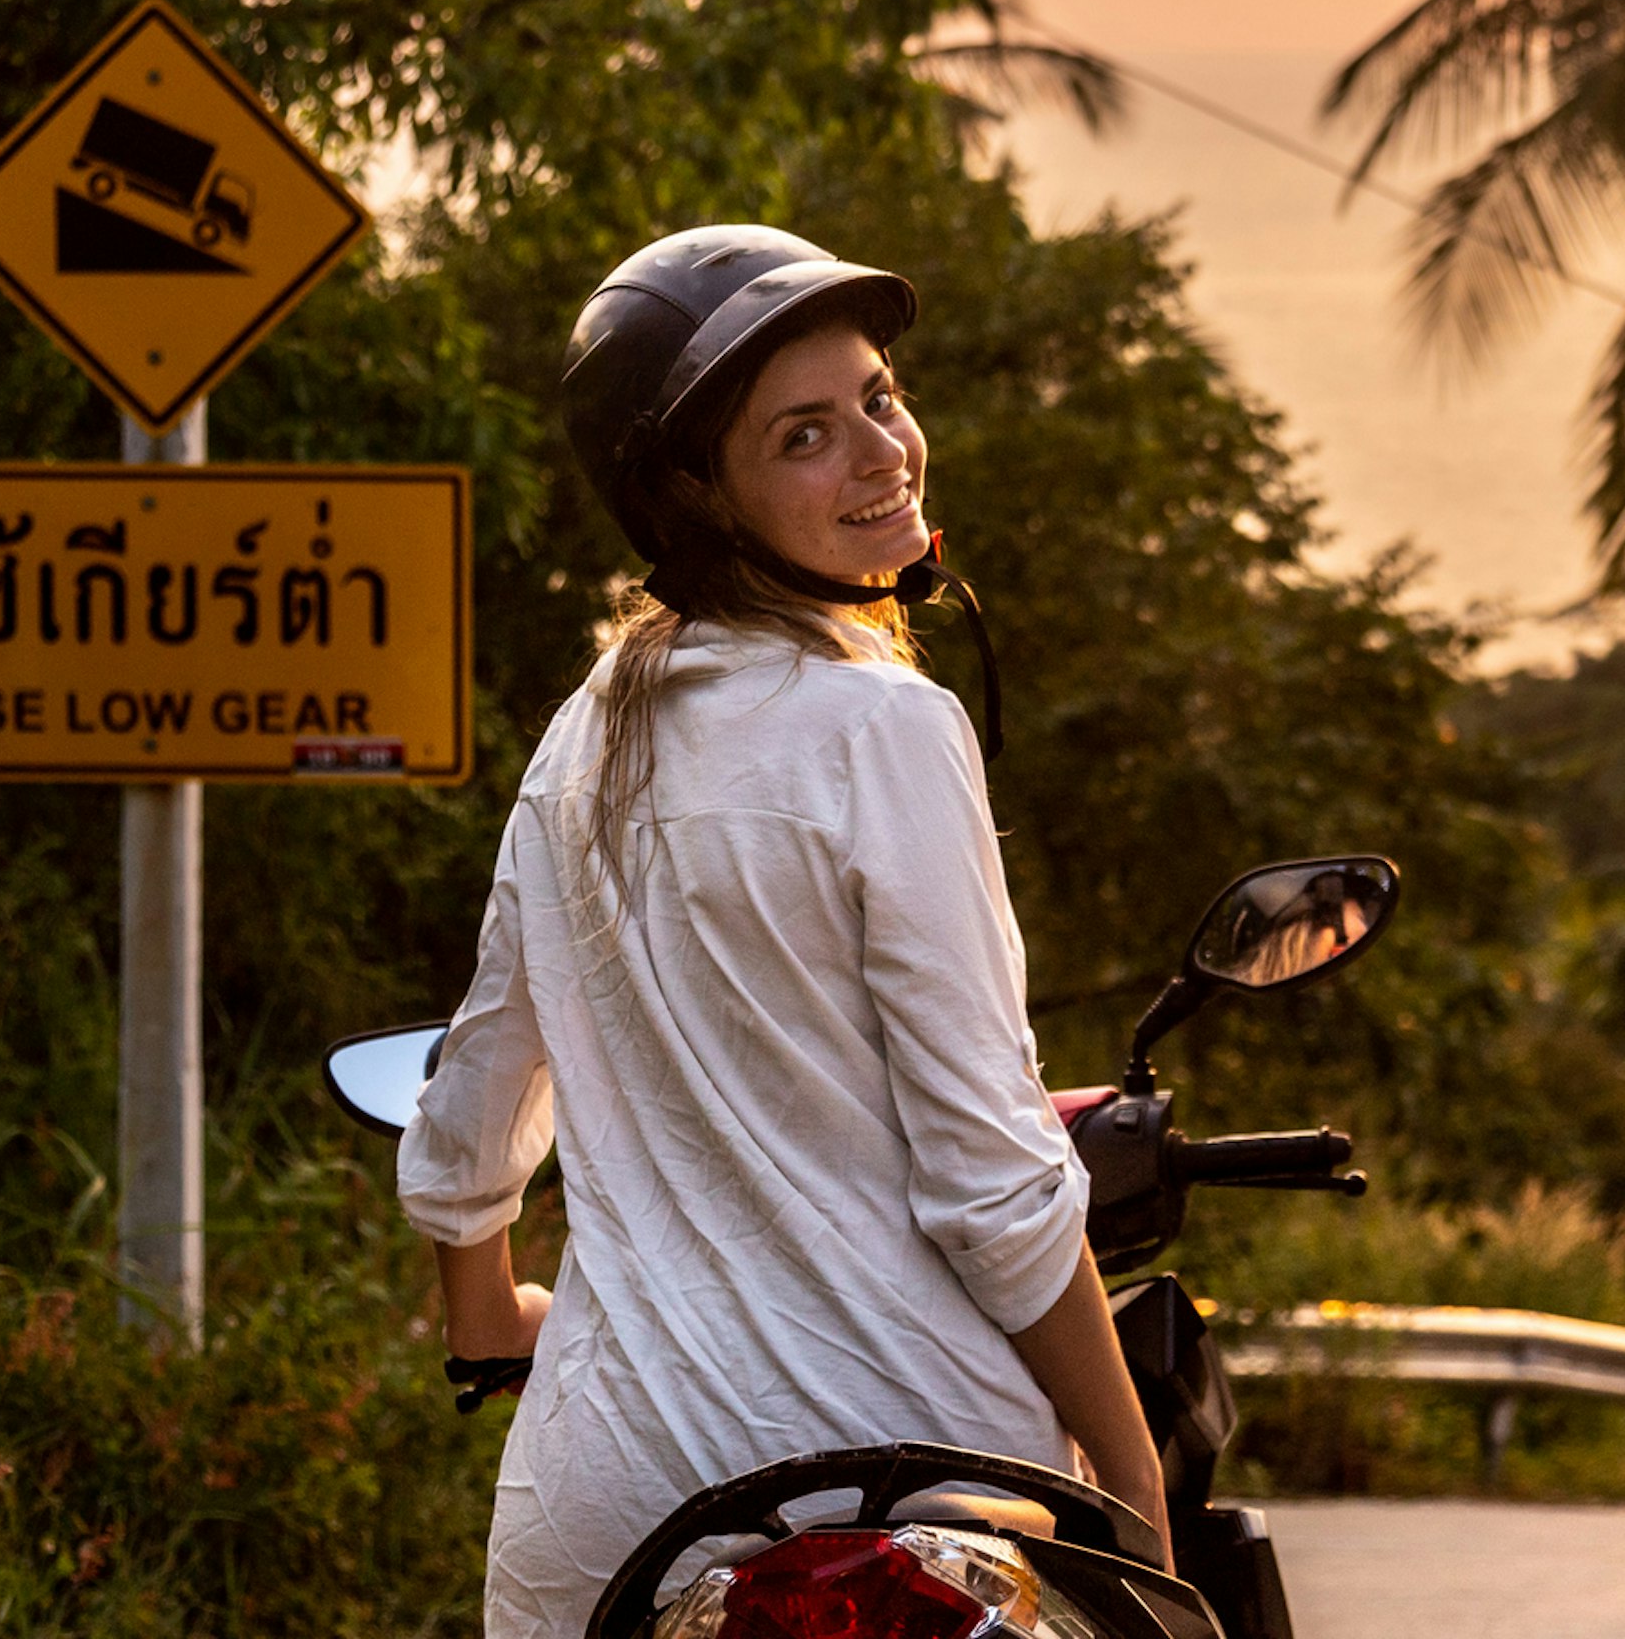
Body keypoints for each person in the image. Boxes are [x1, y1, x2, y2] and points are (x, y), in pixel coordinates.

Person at [396, 225, 1168, 1639]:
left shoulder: (578, 744)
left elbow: (472, 1102)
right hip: (898, 1508)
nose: (884, 455)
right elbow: (993, 1186)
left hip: (600, 1509)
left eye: (879, 397)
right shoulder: (886, 724)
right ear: (696, 500)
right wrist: (1132, 1479)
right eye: (806, 433)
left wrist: (488, 1314)